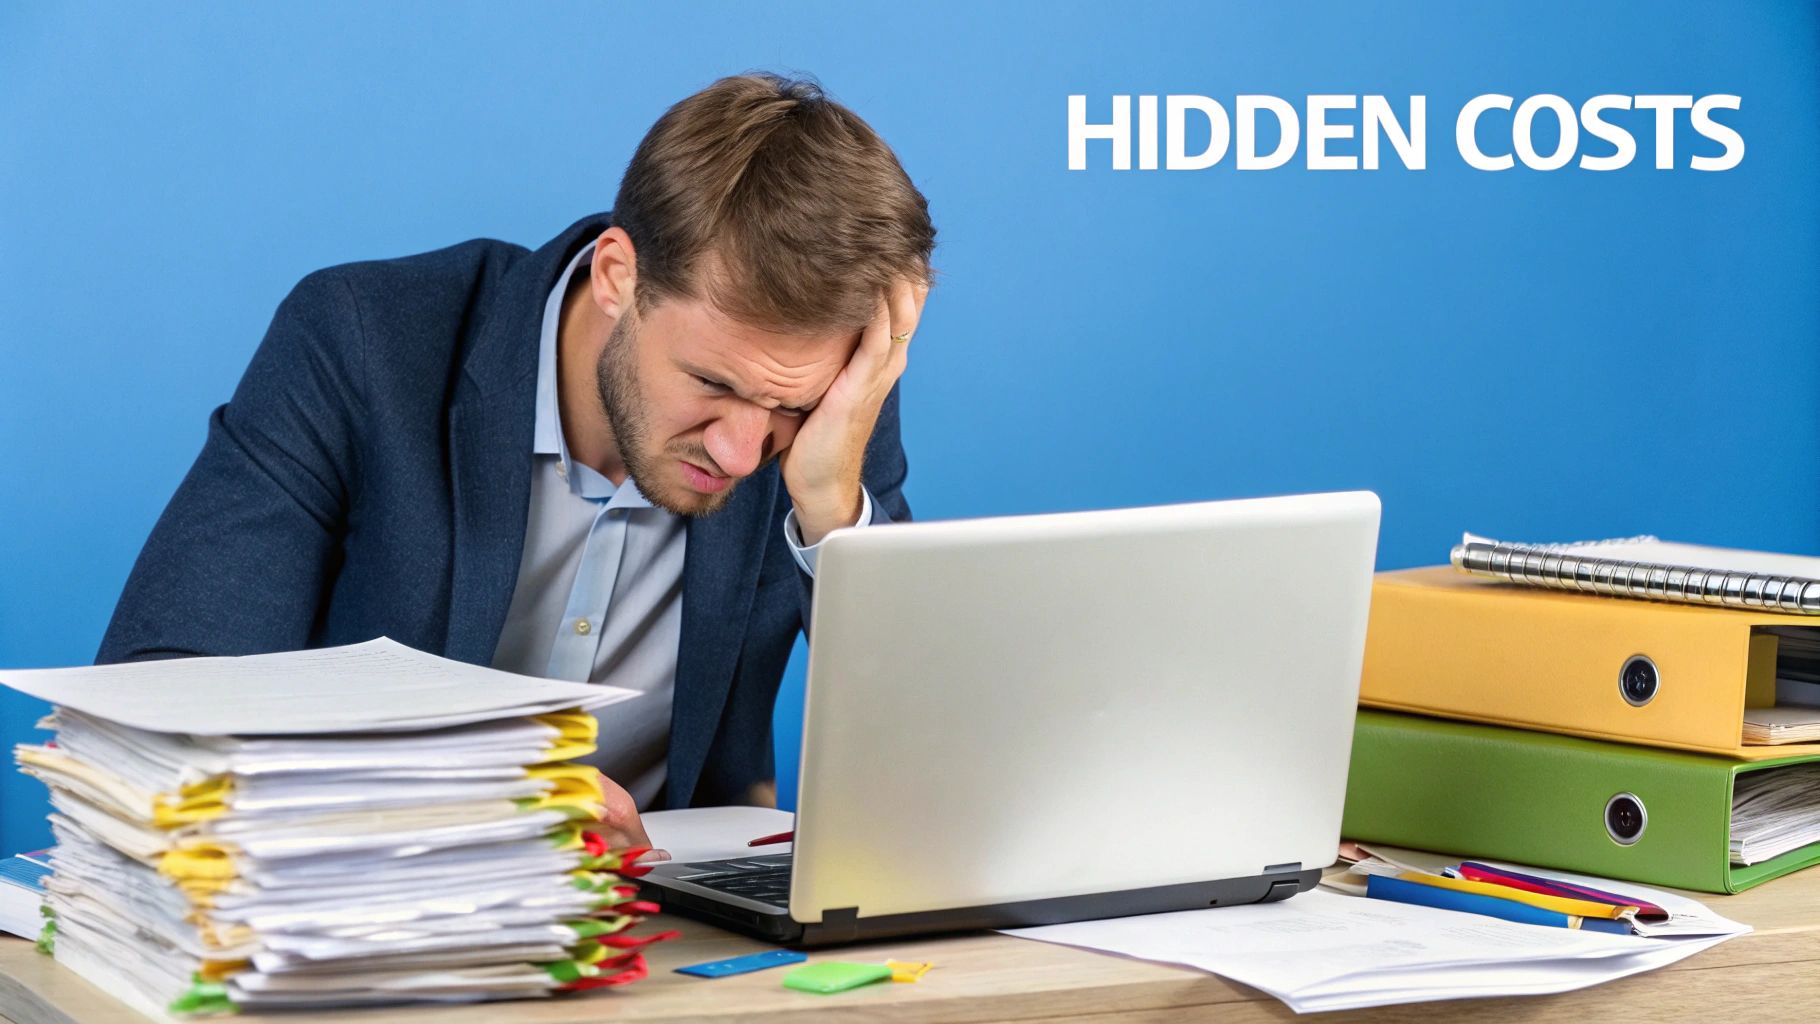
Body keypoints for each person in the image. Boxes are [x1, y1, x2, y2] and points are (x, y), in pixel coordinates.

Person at [96, 73, 935, 854]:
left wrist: (831, 513)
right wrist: (484, 788)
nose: (743, 450)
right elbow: (158, 692)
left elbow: (924, 768)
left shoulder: (825, 414)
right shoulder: (363, 341)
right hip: (358, 913)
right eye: (712, 384)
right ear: (618, 276)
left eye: (786, 408)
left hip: (655, 945)